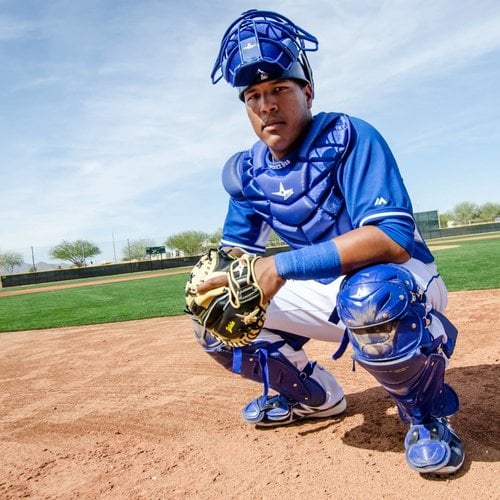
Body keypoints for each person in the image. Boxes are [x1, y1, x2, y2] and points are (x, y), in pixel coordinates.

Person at [193, 9, 464, 475]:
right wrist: (222, 274)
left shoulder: (348, 137)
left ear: (307, 91)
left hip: (404, 281)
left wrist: (278, 268)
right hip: (325, 289)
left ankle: (427, 416)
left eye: (279, 88)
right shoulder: (247, 172)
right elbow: (238, 252)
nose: (266, 104)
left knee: (372, 296)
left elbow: (392, 237)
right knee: (215, 315)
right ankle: (313, 396)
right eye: (253, 95)